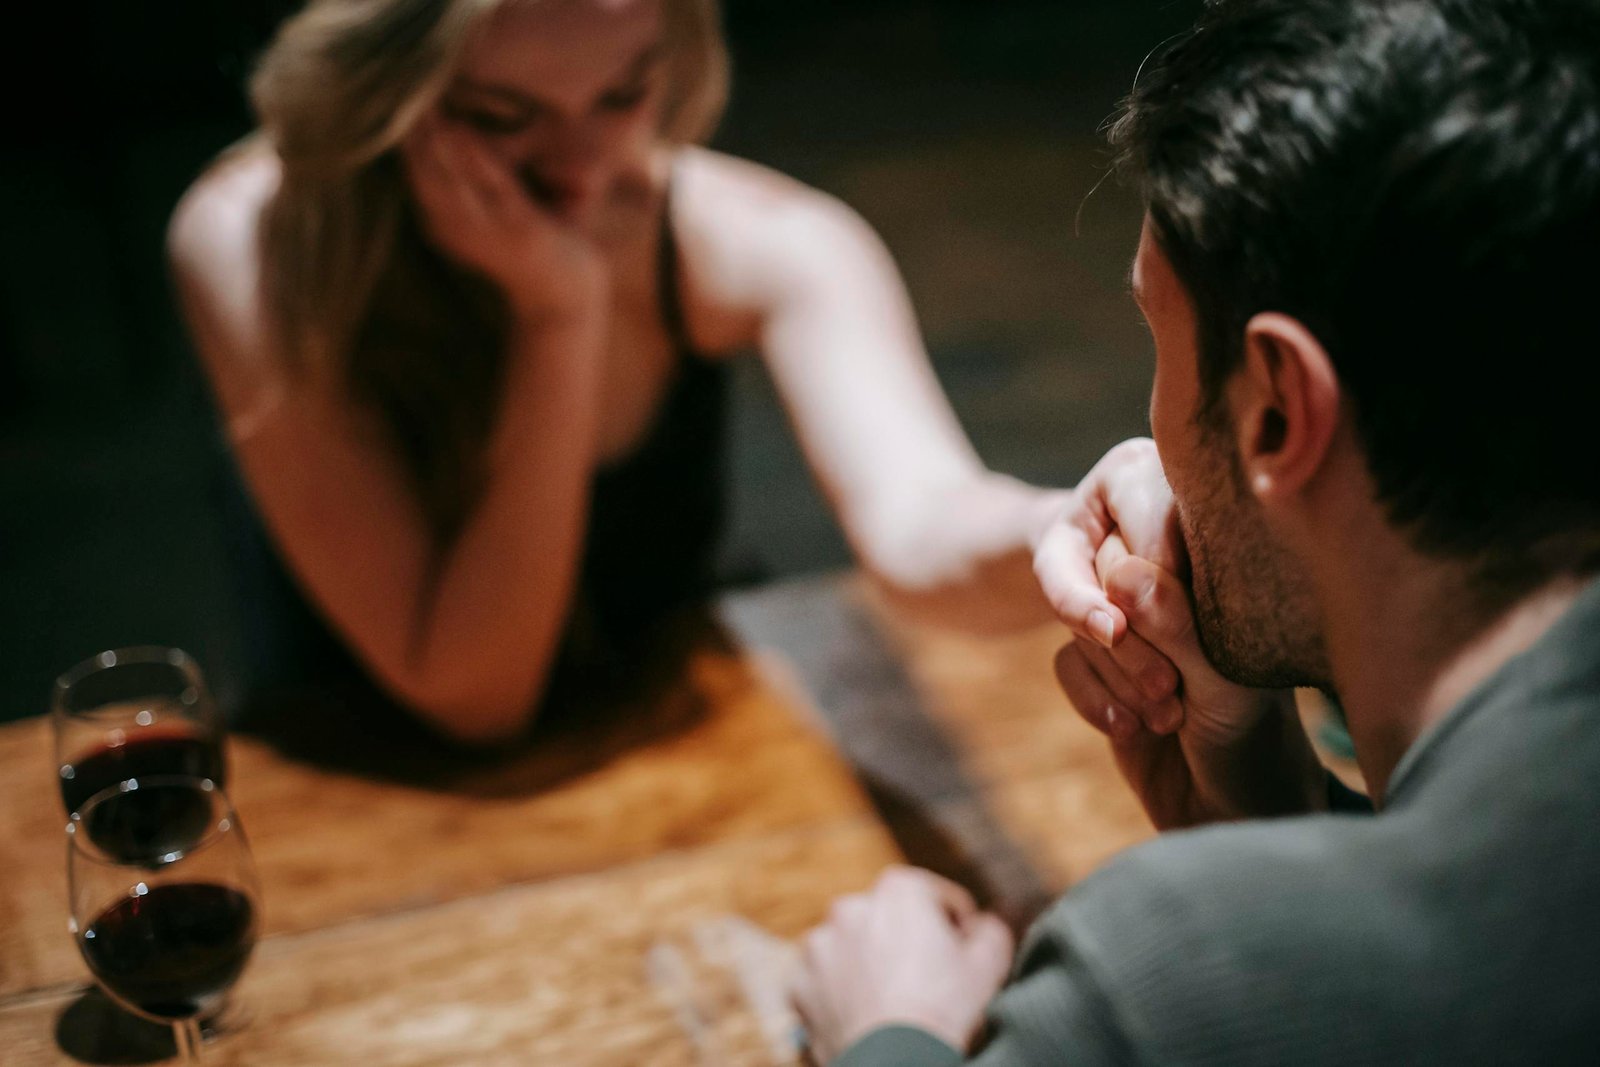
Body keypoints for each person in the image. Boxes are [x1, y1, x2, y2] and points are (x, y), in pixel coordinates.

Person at [792, 0, 1600, 1062]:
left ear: (1275, 409)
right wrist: (1273, 807)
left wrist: (892, 1026)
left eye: (1157, 341)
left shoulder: (1171, 972)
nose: (1152, 430)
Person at [167, 0, 1064, 744]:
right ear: (382, 88)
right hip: (362, 769)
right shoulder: (256, 241)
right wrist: (559, 317)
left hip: (658, 737)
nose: (582, 170)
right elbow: (475, 694)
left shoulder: (757, 236)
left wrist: (1058, 525)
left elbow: (920, 526)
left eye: (622, 94)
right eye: (500, 116)